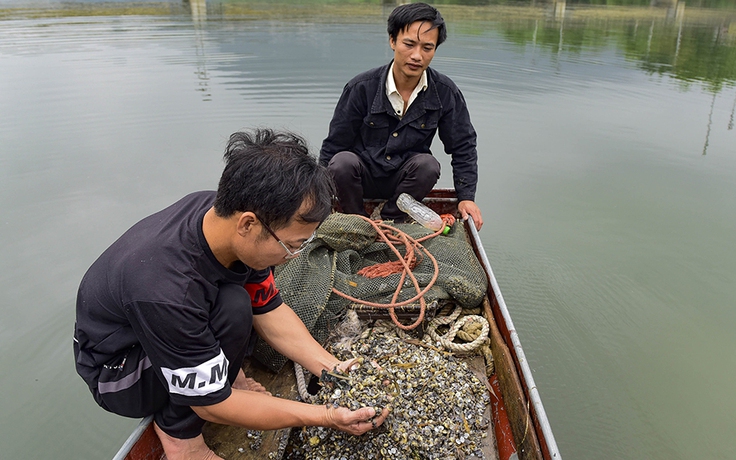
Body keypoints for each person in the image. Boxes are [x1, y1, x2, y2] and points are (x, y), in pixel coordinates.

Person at [73, 129, 389, 460]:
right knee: (214, 374)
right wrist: (324, 416)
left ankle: (221, 372)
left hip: (165, 325)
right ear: (248, 224)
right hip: (120, 371)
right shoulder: (165, 289)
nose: (294, 256)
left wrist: (333, 369)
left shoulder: (220, 216)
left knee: (237, 302)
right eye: (291, 245)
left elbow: (269, 308)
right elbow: (211, 406)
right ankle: (181, 439)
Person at [320, 2, 483, 230]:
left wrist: (467, 197)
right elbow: (334, 145)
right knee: (341, 163)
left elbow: (463, 146)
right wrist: (316, 196)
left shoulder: (445, 92)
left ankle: (391, 220)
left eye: (427, 48)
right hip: (360, 180)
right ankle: (359, 222)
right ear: (392, 41)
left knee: (428, 165)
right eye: (409, 44)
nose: (417, 56)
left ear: (435, 49)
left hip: (406, 186)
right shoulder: (361, 87)